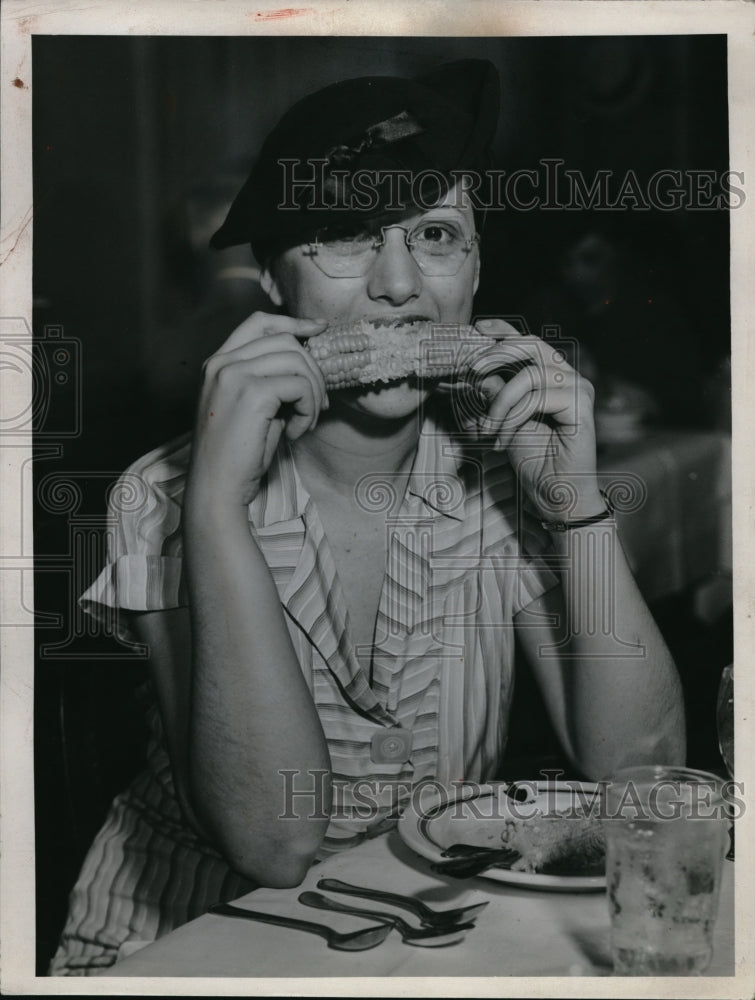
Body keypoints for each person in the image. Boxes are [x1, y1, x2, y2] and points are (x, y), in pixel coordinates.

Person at [50, 58, 685, 975]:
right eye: (344, 236)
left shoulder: (500, 472)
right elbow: (271, 845)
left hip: (432, 938)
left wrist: (575, 510)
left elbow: (639, 782)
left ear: (474, 271)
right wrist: (219, 509)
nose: (397, 285)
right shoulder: (163, 494)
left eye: (433, 234)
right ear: (272, 280)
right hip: (185, 945)